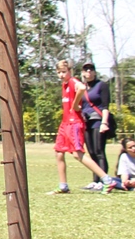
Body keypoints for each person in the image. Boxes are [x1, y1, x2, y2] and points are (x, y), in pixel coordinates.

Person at [47, 59, 112, 195]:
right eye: (58, 72)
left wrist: (76, 104)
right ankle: (63, 185)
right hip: (65, 123)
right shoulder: (64, 85)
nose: (61, 75)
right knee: (59, 153)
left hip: (74, 122)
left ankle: (106, 180)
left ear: (70, 71)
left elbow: (82, 88)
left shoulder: (73, 82)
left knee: (77, 154)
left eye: (64, 72)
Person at [81, 62, 115, 185]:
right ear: (83, 73)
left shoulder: (101, 85)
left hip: (98, 120)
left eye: (91, 70)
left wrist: (104, 122)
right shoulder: (82, 87)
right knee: (91, 152)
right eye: (86, 70)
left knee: (99, 150)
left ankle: (103, 180)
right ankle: (95, 180)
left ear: (95, 72)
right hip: (86, 122)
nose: (88, 72)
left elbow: (105, 106)